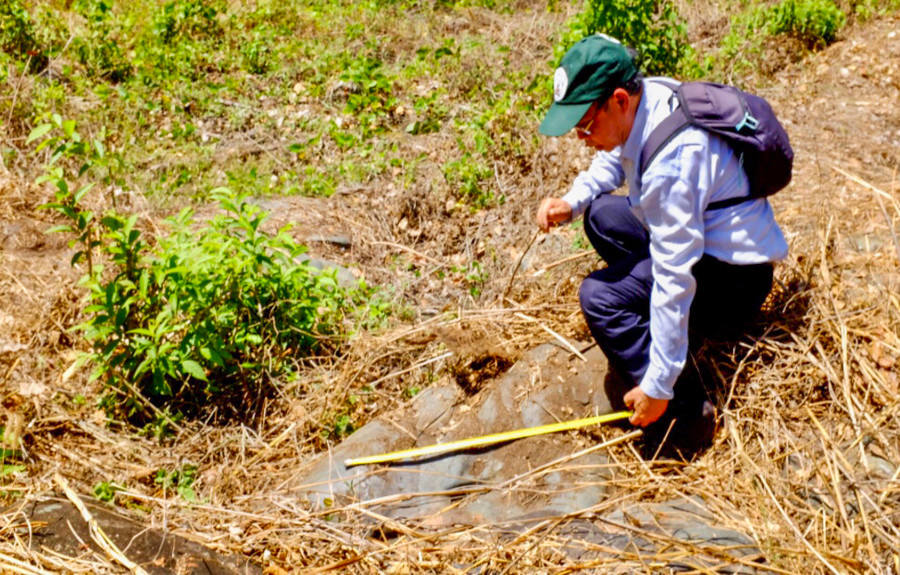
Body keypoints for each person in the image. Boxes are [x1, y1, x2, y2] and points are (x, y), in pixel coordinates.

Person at [536, 34, 788, 456]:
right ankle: (659, 332)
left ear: (618, 99)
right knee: (599, 216)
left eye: (584, 124)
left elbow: (674, 276)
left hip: (735, 282)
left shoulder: (672, 164)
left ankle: (685, 414)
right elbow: (614, 154)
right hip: (712, 245)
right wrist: (574, 200)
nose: (581, 137)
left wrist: (657, 384)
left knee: (599, 297)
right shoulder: (650, 94)